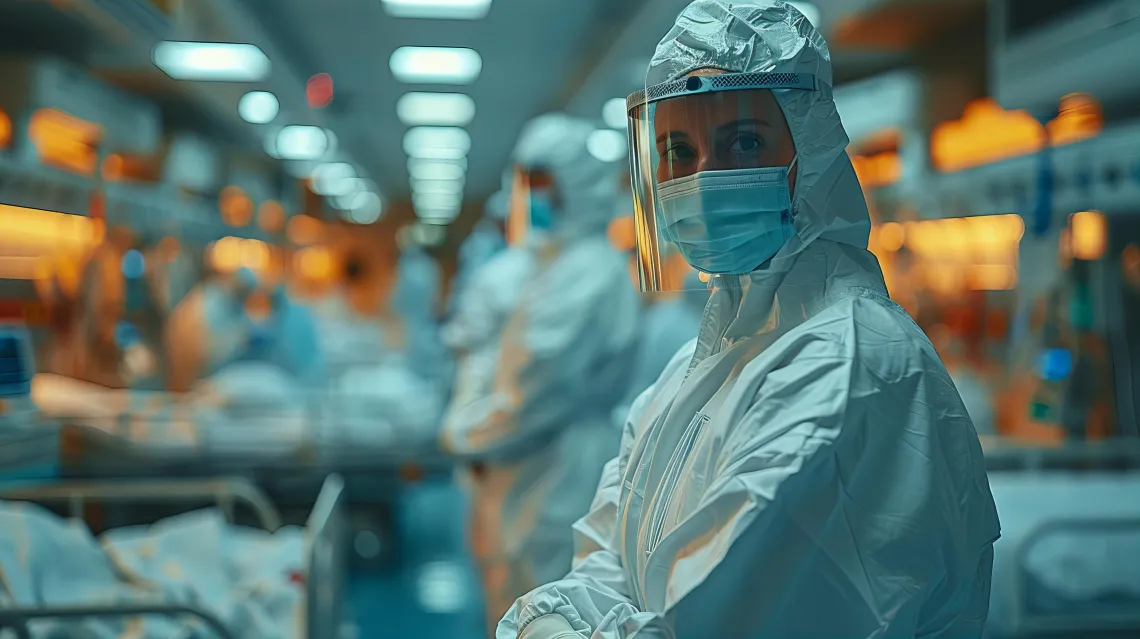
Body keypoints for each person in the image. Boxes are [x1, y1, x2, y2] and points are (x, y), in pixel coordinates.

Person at [497, 3, 1000, 638]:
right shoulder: (702, 362)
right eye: (678, 149)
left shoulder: (850, 363)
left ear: (808, 151)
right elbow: (608, 552)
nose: (703, 177)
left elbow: (702, 624)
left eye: (742, 142)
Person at [441, 113, 640, 634]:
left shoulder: (587, 271)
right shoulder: (556, 264)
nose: (534, 198)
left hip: (556, 475)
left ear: (576, 185)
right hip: (528, 471)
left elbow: (534, 393)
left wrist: (466, 435)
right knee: (516, 605)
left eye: (545, 184)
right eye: (530, 184)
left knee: (545, 610)